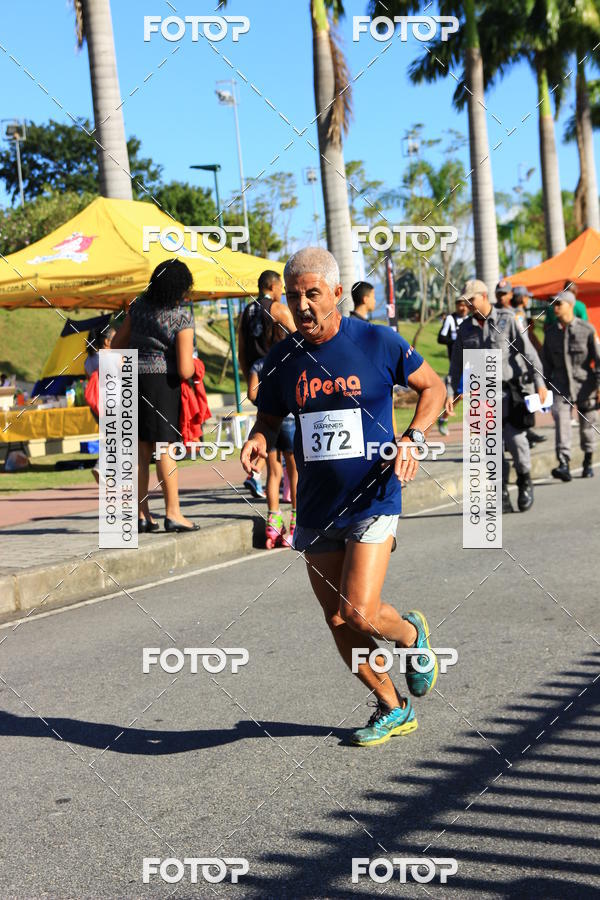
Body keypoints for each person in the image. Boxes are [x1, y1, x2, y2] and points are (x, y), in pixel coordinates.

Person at [241, 247, 447, 747]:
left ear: (337, 292)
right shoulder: (283, 359)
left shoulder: (376, 341)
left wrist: (414, 437)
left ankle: (410, 635)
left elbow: (434, 388)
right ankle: (391, 707)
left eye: (313, 293)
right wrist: (259, 438)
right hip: (315, 507)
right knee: (337, 620)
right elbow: (269, 417)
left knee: (358, 610)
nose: (304, 305)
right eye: (294, 296)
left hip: (374, 495)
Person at [446, 279, 548, 513]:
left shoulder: (508, 319)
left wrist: (540, 383)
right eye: (466, 301)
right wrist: (451, 392)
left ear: (483, 296)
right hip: (481, 396)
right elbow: (455, 366)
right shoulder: (464, 329)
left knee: (516, 441)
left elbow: (529, 353)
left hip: (508, 392)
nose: (469, 305)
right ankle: (501, 492)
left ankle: (524, 479)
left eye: (472, 300)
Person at [112, 259, 198, 533]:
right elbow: (185, 369)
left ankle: (140, 515)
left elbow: (116, 344)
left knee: (139, 451)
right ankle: (173, 513)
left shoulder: (138, 308)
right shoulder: (181, 316)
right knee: (165, 449)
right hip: (163, 384)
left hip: (134, 381)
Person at [238, 270, 296, 499]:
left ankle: (259, 480)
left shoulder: (246, 312)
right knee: (292, 458)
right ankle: (295, 509)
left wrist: (250, 380)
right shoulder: (277, 309)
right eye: (281, 287)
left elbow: (242, 351)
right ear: (272, 286)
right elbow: (300, 339)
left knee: (269, 443)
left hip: (258, 378)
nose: (282, 291)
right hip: (281, 381)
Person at [542, 290, 600, 481]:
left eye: (559, 304)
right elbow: (546, 364)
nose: (555, 308)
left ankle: (588, 460)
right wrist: (542, 386)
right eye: (554, 304)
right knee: (561, 421)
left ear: (570, 305)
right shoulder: (550, 333)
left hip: (585, 385)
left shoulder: (587, 329)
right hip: (560, 386)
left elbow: (598, 360)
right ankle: (564, 463)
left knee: (587, 426)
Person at [247, 360, 298, 547]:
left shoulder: (260, 364)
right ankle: (296, 522)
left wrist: (264, 402)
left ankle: (273, 523)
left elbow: (251, 393)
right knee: (294, 474)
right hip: (290, 421)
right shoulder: (291, 357)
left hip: (268, 423)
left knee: (273, 473)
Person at [511, 287, 546, 447]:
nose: (528, 299)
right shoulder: (518, 314)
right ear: (522, 298)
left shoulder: (514, 312)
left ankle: (525, 432)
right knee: (526, 393)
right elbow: (523, 337)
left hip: (519, 359)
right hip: (521, 360)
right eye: (526, 297)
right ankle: (525, 432)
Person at [436, 297, 469, 436]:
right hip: (458, 363)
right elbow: (441, 338)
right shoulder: (450, 319)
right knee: (459, 395)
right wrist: (456, 342)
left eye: (465, 305)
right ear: (456, 306)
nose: (463, 308)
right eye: (460, 305)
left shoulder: (472, 319)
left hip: (473, 361)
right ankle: (443, 418)